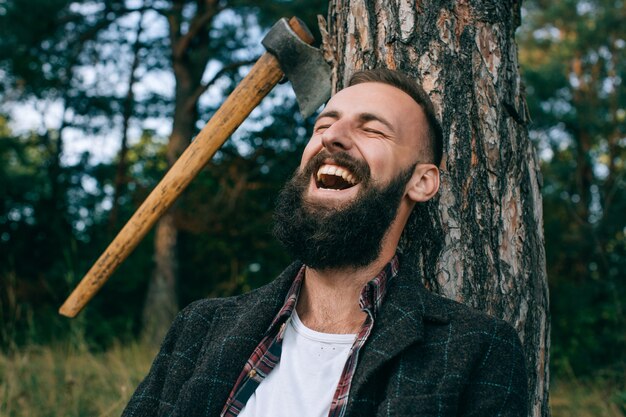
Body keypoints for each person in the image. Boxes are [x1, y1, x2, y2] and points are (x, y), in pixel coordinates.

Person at [122, 68, 528, 417]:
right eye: (322, 125)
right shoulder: (201, 327)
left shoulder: (477, 349)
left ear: (421, 181)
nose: (332, 137)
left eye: (371, 129)